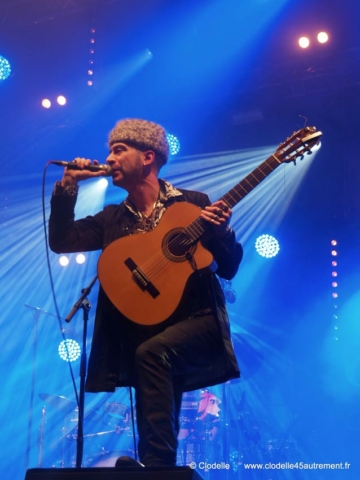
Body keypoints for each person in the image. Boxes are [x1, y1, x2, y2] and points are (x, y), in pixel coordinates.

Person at [49, 118, 243, 468]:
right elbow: (62, 241)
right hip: (145, 326)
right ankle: (157, 467)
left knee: (151, 354)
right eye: (110, 150)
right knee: (148, 362)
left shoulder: (192, 204)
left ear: (148, 157)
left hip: (198, 322)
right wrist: (67, 187)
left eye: (119, 150)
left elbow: (228, 268)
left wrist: (224, 232)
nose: (109, 158)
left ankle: (156, 467)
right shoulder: (113, 218)